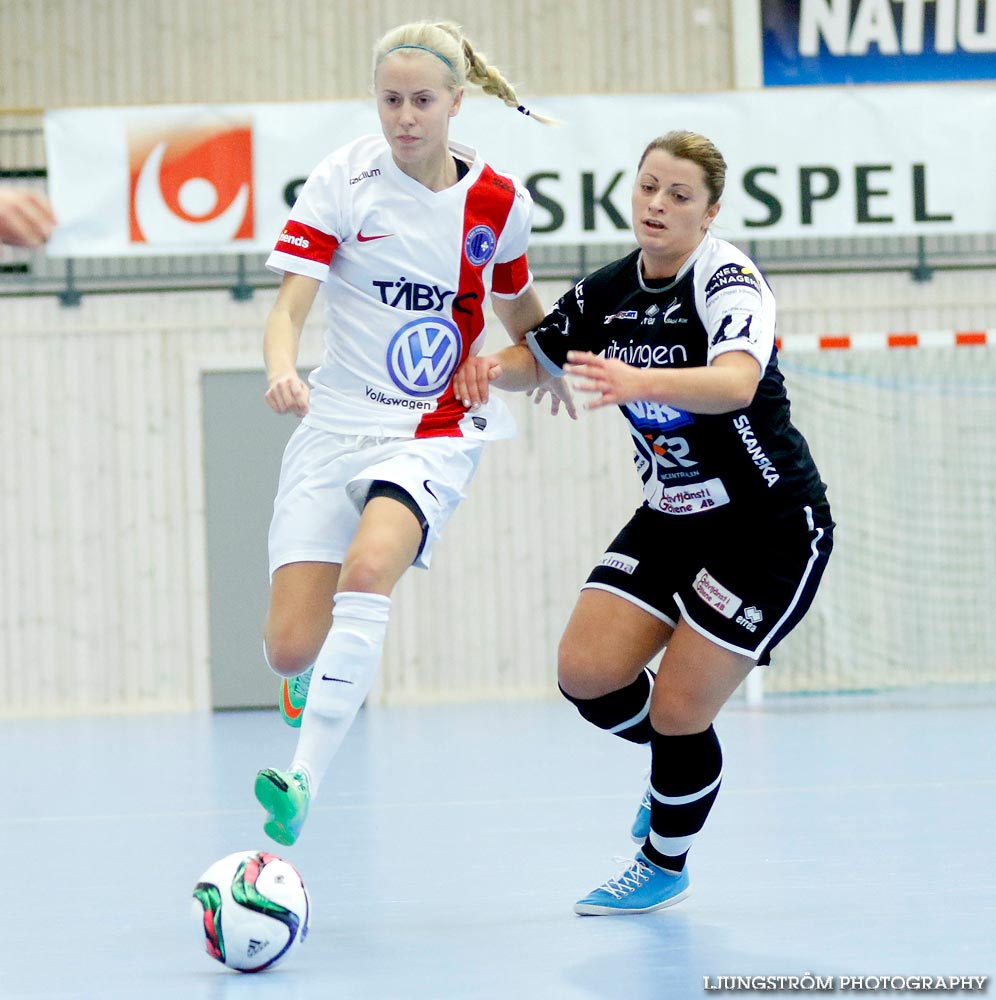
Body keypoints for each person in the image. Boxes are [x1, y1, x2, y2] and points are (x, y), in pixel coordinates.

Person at [453, 130, 834, 915]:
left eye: (679, 195)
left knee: (680, 711)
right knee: (587, 675)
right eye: (648, 187)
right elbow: (545, 355)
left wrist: (638, 378)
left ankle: (664, 860)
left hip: (768, 526)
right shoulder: (610, 289)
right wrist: (493, 369)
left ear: (710, 211)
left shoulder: (727, 281)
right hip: (672, 515)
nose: (657, 205)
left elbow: (734, 383)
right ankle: (674, 769)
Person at [254, 20, 573, 847]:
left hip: (432, 430)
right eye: (391, 100)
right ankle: (311, 676)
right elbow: (290, 303)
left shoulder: (499, 203)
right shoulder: (344, 179)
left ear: (457, 104)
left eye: (422, 101)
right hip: (335, 425)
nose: (404, 117)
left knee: (369, 570)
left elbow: (525, 322)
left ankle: (301, 781)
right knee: (290, 649)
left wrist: (537, 365)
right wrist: (282, 368)